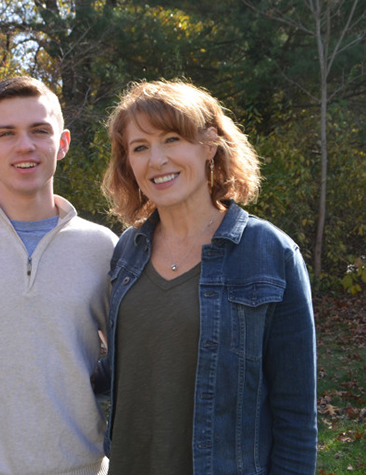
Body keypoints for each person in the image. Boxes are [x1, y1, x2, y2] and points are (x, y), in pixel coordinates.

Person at [100, 79, 317, 474]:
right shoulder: (126, 252)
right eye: (140, 147)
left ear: (209, 145)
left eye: (171, 139)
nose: (157, 159)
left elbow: (296, 414)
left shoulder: (269, 252)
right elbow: (125, 369)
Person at [0, 76, 118, 475]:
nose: (25, 146)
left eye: (39, 131)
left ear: (62, 143)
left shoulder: (103, 247)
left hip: (81, 467)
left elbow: (130, 356)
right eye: (6, 133)